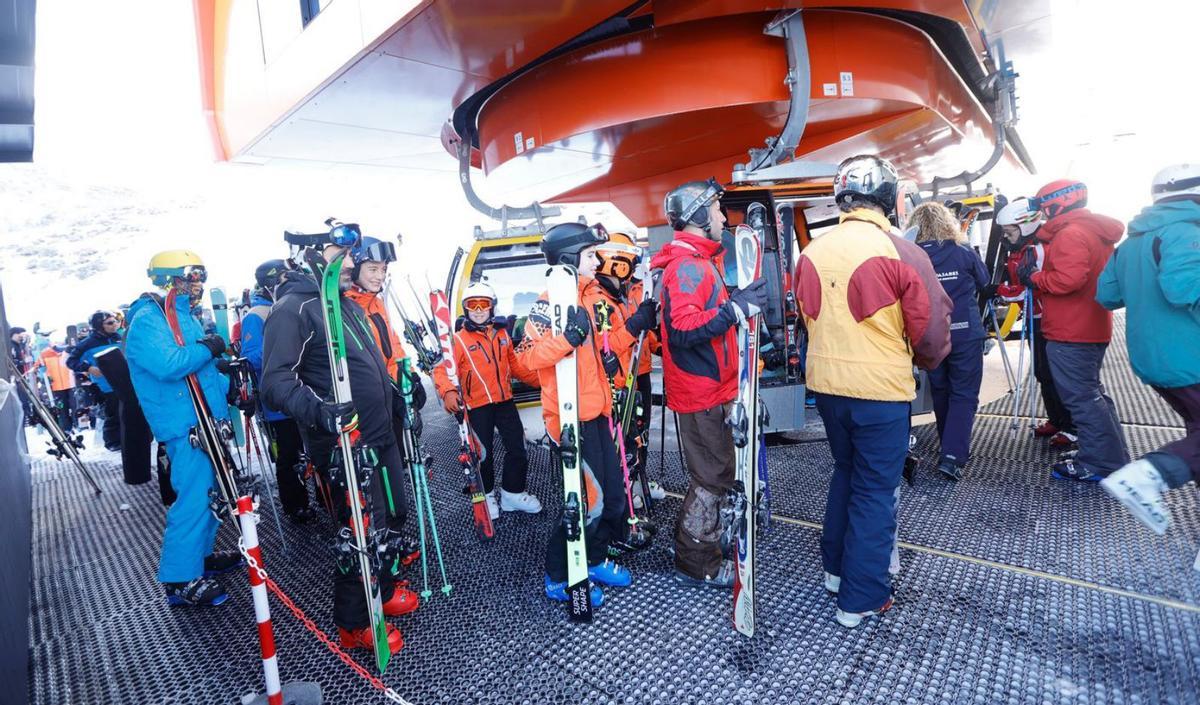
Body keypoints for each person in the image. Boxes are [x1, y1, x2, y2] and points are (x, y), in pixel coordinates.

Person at [793, 155, 951, 627]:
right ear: (887, 198)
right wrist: (925, 362)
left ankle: (836, 573)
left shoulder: (810, 253)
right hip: (880, 391)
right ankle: (861, 597)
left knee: (846, 474)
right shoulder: (901, 252)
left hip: (827, 388)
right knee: (875, 492)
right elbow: (930, 333)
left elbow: (805, 318)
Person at [260, 243, 417, 654]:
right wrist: (320, 412)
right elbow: (275, 382)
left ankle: (380, 590)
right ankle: (355, 622)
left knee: (389, 517)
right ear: (312, 257)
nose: (352, 264)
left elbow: (369, 362)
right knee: (358, 528)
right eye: (342, 256)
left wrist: (397, 393)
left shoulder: (343, 303)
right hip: (342, 443)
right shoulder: (293, 309)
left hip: (379, 433)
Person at [651, 177, 769, 589]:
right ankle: (696, 560)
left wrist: (735, 303)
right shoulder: (686, 267)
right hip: (700, 395)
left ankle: (696, 545)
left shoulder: (698, 264)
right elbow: (682, 330)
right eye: (717, 211)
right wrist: (736, 310)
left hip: (709, 390)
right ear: (699, 216)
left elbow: (697, 316)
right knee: (712, 478)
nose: (722, 217)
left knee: (716, 474)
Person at [516, 221, 637, 608]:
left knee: (615, 498)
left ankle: (596, 557)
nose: (596, 260)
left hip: (597, 411)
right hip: (569, 421)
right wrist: (565, 339)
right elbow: (525, 360)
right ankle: (559, 574)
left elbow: (604, 350)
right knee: (588, 501)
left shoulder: (592, 296)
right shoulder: (547, 302)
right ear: (569, 260)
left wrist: (634, 327)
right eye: (589, 255)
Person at [125, 250, 244, 607]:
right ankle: (178, 578)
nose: (198, 286)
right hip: (183, 424)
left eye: (200, 278)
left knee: (212, 495)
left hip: (205, 419)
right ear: (168, 280)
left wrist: (230, 390)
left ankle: (199, 558)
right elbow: (170, 365)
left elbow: (202, 372)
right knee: (192, 499)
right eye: (190, 278)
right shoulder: (148, 320)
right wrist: (208, 348)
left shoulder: (183, 316)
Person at [1096, 164, 1200, 533]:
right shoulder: (1186, 233)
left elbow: (1106, 295)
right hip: (1192, 360)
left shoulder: (1131, 243)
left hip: (1153, 362)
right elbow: (1184, 288)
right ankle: (1150, 474)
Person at [1019, 179, 1128, 481]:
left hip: (1071, 331)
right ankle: (1109, 454)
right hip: (1090, 326)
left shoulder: (1070, 234)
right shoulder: (1095, 232)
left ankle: (1098, 463)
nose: (1041, 214)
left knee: (1082, 399)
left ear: (1057, 203)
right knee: (1094, 396)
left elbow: (1067, 281)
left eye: (1043, 207)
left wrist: (1035, 278)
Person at [343, 235, 427, 566]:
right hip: (365, 412)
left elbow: (392, 349)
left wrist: (409, 381)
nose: (379, 276)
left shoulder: (376, 303)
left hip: (388, 402)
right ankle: (381, 548)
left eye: (383, 269)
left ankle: (393, 536)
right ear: (356, 268)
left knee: (395, 486)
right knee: (376, 489)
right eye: (373, 268)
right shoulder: (345, 307)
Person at [432, 281, 542, 520]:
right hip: (477, 405)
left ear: (492, 307)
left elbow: (515, 366)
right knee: (483, 454)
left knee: (518, 448)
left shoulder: (501, 334)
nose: (479, 309)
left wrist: (542, 380)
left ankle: (512, 493)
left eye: (484, 304)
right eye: (473, 304)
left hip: (504, 401)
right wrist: (448, 391)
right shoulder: (458, 340)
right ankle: (488, 493)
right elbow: (442, 370)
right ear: (466, 308)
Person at [911, 201, 989, 479]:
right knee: (964, 394)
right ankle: (953, 455)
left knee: (941, 392)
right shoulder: (963, 252)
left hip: (931, 335)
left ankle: (949, 445)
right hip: (965, 332)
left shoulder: (913, 255)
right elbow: (985, 281)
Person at [994, 198, 1077, 447]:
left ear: (1025, 226)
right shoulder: (1023, 249)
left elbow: (1030, 289)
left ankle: (1072, 426)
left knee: (1054, 372)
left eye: (1010, 232)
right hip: (1036, 317)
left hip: (1048, 318)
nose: (1007, 238)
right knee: (1042, 371)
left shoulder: (1037, 250)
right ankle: (1057, 419)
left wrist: (999, 291)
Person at [239, 259, 314, 523]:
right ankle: (295, 505)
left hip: (304, 391)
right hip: (279, 402)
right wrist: (288, 348)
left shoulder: (292, 304)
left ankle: (317, 496)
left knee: (310, 447)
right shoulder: (257, 315)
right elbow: (250, 356)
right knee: (288, 451)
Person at [67, 311, 124, 451]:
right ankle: (113, 442)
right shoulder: (88, 343)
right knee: (114, 412)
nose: (114, 325)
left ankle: (132, 438)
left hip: (126, 381)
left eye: (115, 321)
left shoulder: (119, 337)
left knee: (131, 411)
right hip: (106, 385)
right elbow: (71, 361)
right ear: (99, 326)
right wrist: (89, 368)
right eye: (110, 323)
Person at [36, 344, 77, 432]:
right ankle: (66, 427)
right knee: (62, 408)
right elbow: (36, 367)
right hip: (56, 386)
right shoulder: (45, 353)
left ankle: (77, 424)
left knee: (75, 405)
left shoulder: (70, 351)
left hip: (71, 384)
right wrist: (41, 372)